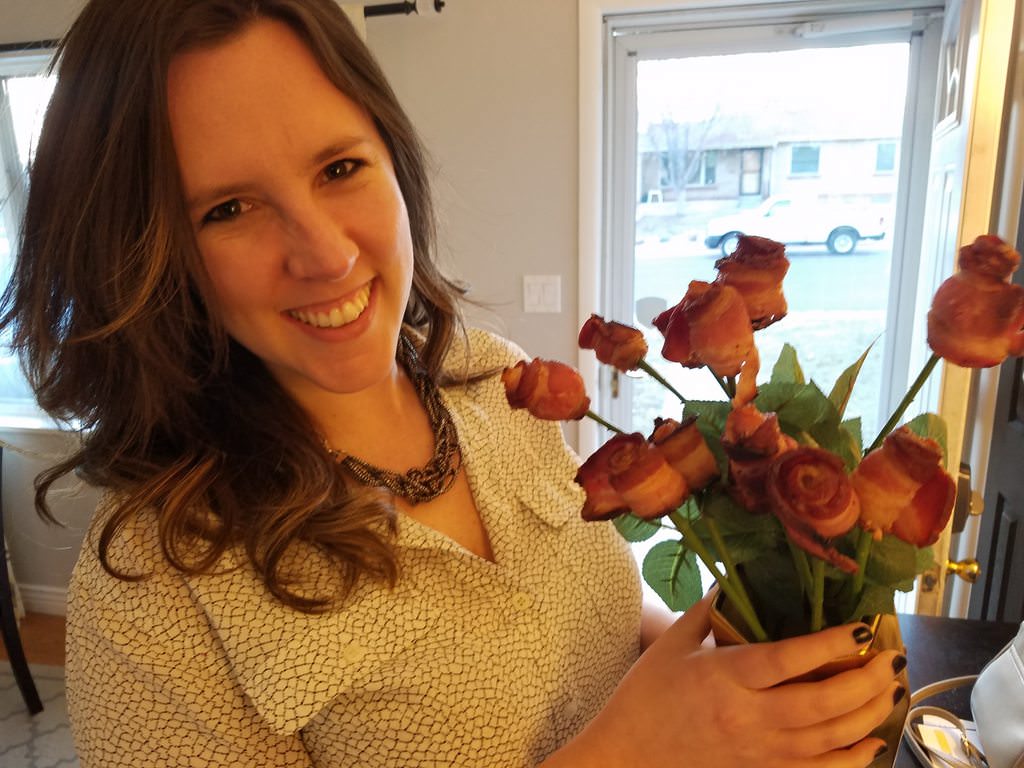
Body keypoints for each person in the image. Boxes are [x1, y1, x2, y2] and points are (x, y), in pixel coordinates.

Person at [0, 1, 904, 765]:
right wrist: (633, 748)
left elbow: (601, 613)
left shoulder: (497, 380)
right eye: (229, 208)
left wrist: (745, 684)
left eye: (339, 167)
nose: (326, 255)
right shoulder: (152, 585)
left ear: (393, 160)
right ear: (144, 256)